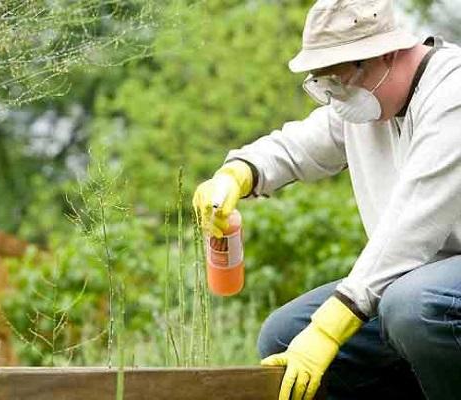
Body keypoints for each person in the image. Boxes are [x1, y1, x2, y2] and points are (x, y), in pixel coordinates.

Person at [191, 0, 461, 399]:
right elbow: (301, 145)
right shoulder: (368, 103)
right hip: (423, 281)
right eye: (324, 82)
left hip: (433, 290)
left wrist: (329, 328)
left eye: (339, 79)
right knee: (285, 336)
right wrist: (238, 173)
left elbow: (411, 227)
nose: (336, 96)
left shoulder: (452, 94)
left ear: (385, 53)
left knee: (412, 307)